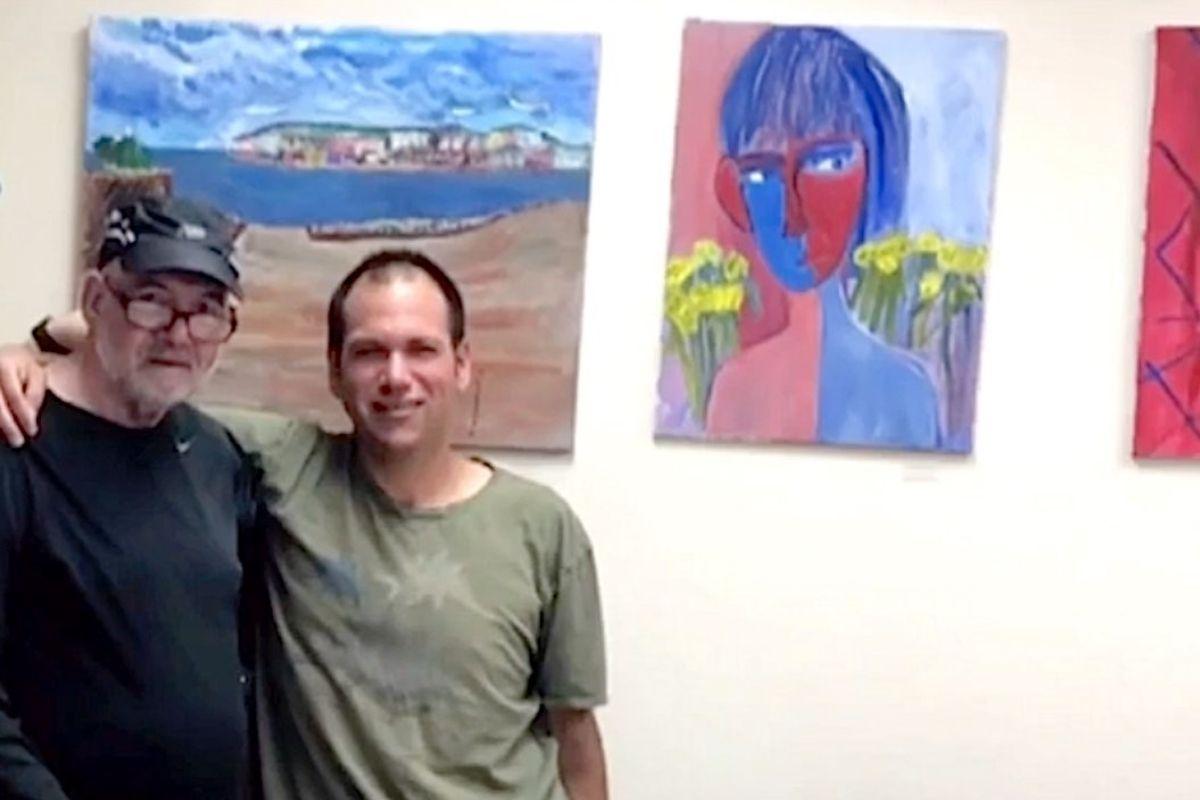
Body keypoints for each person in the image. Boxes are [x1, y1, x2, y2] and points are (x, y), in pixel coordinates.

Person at [2, 248, 609, 799]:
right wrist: (21, 354)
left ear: (462, 364)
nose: (396, 377)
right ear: (334, 372)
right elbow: (140, 376)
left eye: (422, 350)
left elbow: (576, 741)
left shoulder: (543, 528)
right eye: (369, 352)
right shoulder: (279, 468)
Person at [0, 196, 258, 799]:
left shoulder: (216, 455)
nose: (180, 333)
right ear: (94, 299)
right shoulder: (16, 439)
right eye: (152, 300)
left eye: (206, 311)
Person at [706, 26, 941, 448]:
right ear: (732, 190)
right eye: (761, 172)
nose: (793, 215)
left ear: (877, 170)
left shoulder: (908, 395)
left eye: (829, 163)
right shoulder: (734, 392)